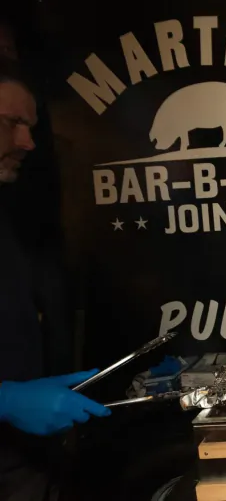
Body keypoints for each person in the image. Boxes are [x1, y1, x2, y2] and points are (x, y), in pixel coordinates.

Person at [0, 60, 110, 501]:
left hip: (21, 462)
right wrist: (4, 400)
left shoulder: (6, 215)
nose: (28, 142)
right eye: (13, 124)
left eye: (31, 126)